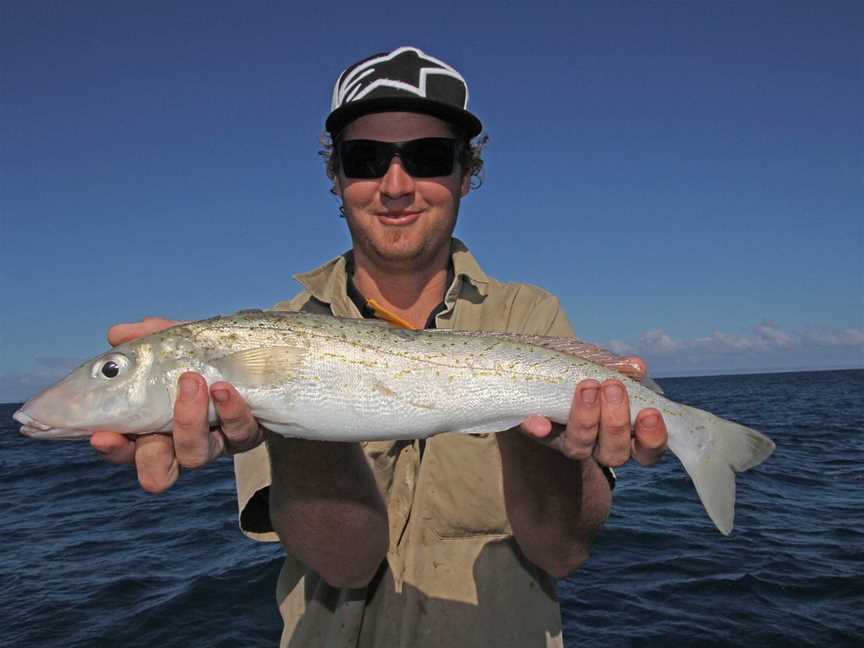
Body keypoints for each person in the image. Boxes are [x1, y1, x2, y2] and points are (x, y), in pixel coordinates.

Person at [91, 46, 669, 647]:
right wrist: (287, 414)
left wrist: (545, 438)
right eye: (365, 158)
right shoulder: (276, 336)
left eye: (428, 157)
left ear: (465, 175)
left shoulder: (531, 317)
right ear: (335, 177)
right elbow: (345, 563)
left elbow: (561, 552)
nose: (396, 186)